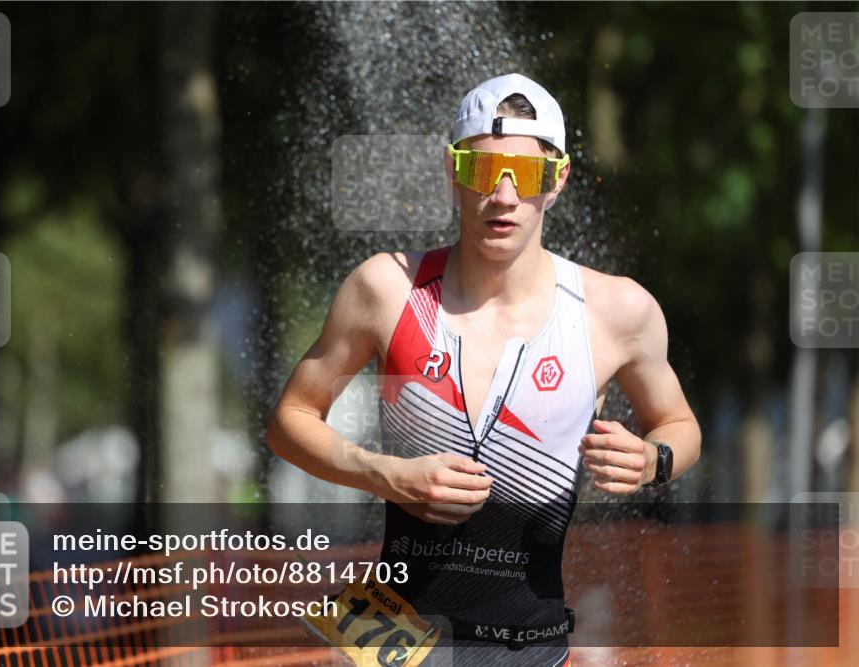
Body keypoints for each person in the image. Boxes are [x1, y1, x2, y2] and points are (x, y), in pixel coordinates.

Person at [267, 73, 701, 666]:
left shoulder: (616, 311)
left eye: (524, 176)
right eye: (480, 171)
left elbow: (679, 423)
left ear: (557, 181)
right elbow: (289, 419)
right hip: (392, 646)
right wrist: (382, 474)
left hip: (529, 650)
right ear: (451, 173)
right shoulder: (386, 289)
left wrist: (655, 460)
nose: (502, 196)